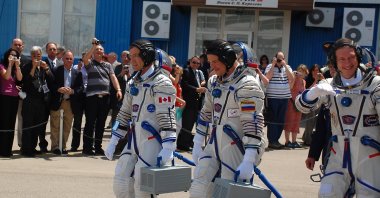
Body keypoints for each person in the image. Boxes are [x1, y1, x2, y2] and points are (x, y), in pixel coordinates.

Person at [296, 38, 380, 197]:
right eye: (342, 59)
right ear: (335, 62)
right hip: (339, 155)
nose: (347, 62)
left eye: (351, 57)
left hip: (370, 157)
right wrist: (314, 92)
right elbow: (301, 106)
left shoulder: (374, 86)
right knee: (328, 194)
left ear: (358, 57)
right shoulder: (329, 86)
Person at [190, 39, 266, 197]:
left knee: (227, 192)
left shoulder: (247, 85)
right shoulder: (214, 82)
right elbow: (206, 112)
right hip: (214, 143)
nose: (212, 66)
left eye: (216, 61)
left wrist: (249, 160)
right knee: (198, 188)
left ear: (227, 59)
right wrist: (197, 141)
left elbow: (253, 124)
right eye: (210, 62)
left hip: (236, 147)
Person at [105, 40, 177, 198]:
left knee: (143, 188)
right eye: (131, 56)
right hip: (133, 140)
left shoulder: (161, 83)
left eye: (136, 56)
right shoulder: (133, 82)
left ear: (147, 56)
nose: (132, 60)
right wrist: (114, 140)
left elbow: (168, 116)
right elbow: (124, 112)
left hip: (151, 141)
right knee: (121, 184)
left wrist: (169, 147)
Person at [82, 38, 122, 155]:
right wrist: (94, 46)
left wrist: (118, 89)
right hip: (92, 98)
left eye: (101, 50)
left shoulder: (108, 65)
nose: (99, 51)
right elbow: (85, 58)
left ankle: (98, 147)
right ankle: (87, 148)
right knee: (90, 123)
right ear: (94, 52)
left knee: (101, 124)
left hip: (105, 98)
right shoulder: (90, 64)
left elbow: (113, 78)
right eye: (97, 50)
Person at [21, 46, 54, 157]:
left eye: (38, 55)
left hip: (41, 101)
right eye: (34, 55)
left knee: (36, 126)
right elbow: (26, 82)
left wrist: (47, 69)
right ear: (31, 56)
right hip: (29, 99)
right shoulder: (27, 66)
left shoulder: (44, 66)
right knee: (28, 125)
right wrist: (33, 68)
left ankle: (33, 147)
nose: (36, 57)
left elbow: (51, 80)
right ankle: (26, 149)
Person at [49, 50, 83, 155]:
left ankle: (62, 146)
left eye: (70, 59)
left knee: (67, 126)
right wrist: (58, 89)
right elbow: (50, 84)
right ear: (63, 59)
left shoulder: (77, 73)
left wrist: (73, 91)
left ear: (73, 60)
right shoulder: (55, 70)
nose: (68, 60)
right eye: (66, 58)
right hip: (58, 101)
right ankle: (55, 147)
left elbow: (80, 87)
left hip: (70, 102)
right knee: (55, 125)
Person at [264, 51, 294, 149]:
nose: (280, 61)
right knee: (273, 119)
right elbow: (267, 78)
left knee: (281, 119)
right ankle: (272, 141)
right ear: (275, 58)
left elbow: (292, 79)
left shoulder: (287, 67)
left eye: (282, 59)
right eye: (278, 58)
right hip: (273, 97)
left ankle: (276, 140)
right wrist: (273, 65)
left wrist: (284, 65)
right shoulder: (270, 66)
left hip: (284, 97)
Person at [177, 56, 207, 152]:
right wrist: (196, 89)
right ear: (190, 62)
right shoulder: (186, 71)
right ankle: (182, 145)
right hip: (189, 102)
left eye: (198, 63)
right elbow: (184, 85)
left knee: (191, 124)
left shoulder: (198, 72)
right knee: (187, 124)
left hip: (196, 103)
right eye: (194, 62)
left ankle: (187, 143)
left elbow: (199, 83)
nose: (196, 64)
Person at [0, 48, 23, 157]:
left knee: (11, 124)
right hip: (4, 97)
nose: (13, 57)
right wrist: (10, 64)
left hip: (14, 98)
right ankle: (2, 149)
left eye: (15, 56)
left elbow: (20, 77)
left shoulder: (15, 68)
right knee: (4, 123)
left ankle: (8, 149)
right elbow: (6, 76)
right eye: (11, 55)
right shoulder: (2, 66)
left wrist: (17, 66)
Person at [284, 64, 308, 148]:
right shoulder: (294, 78)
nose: (301, 73)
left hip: (299, 104)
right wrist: (294, 76)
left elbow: (304, 92)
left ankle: (294, 141)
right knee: (289, 121)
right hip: (291, 103)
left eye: (303, 71)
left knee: (296, 123)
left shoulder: (304, 82)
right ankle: (287, 141)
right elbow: (290, 87)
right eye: (299, 71)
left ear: (305, 73)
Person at [302, 64, 322, 146]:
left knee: (315, 122)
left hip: (319, 102)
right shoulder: (308, 79)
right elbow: (307, 90)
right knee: (310, 121)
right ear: (311, 71)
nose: (316, 72)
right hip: (310, 102)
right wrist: (315, 81)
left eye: (317, 70)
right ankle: (307, 140)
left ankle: (306, 137)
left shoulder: (321, 79)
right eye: (314, 70)